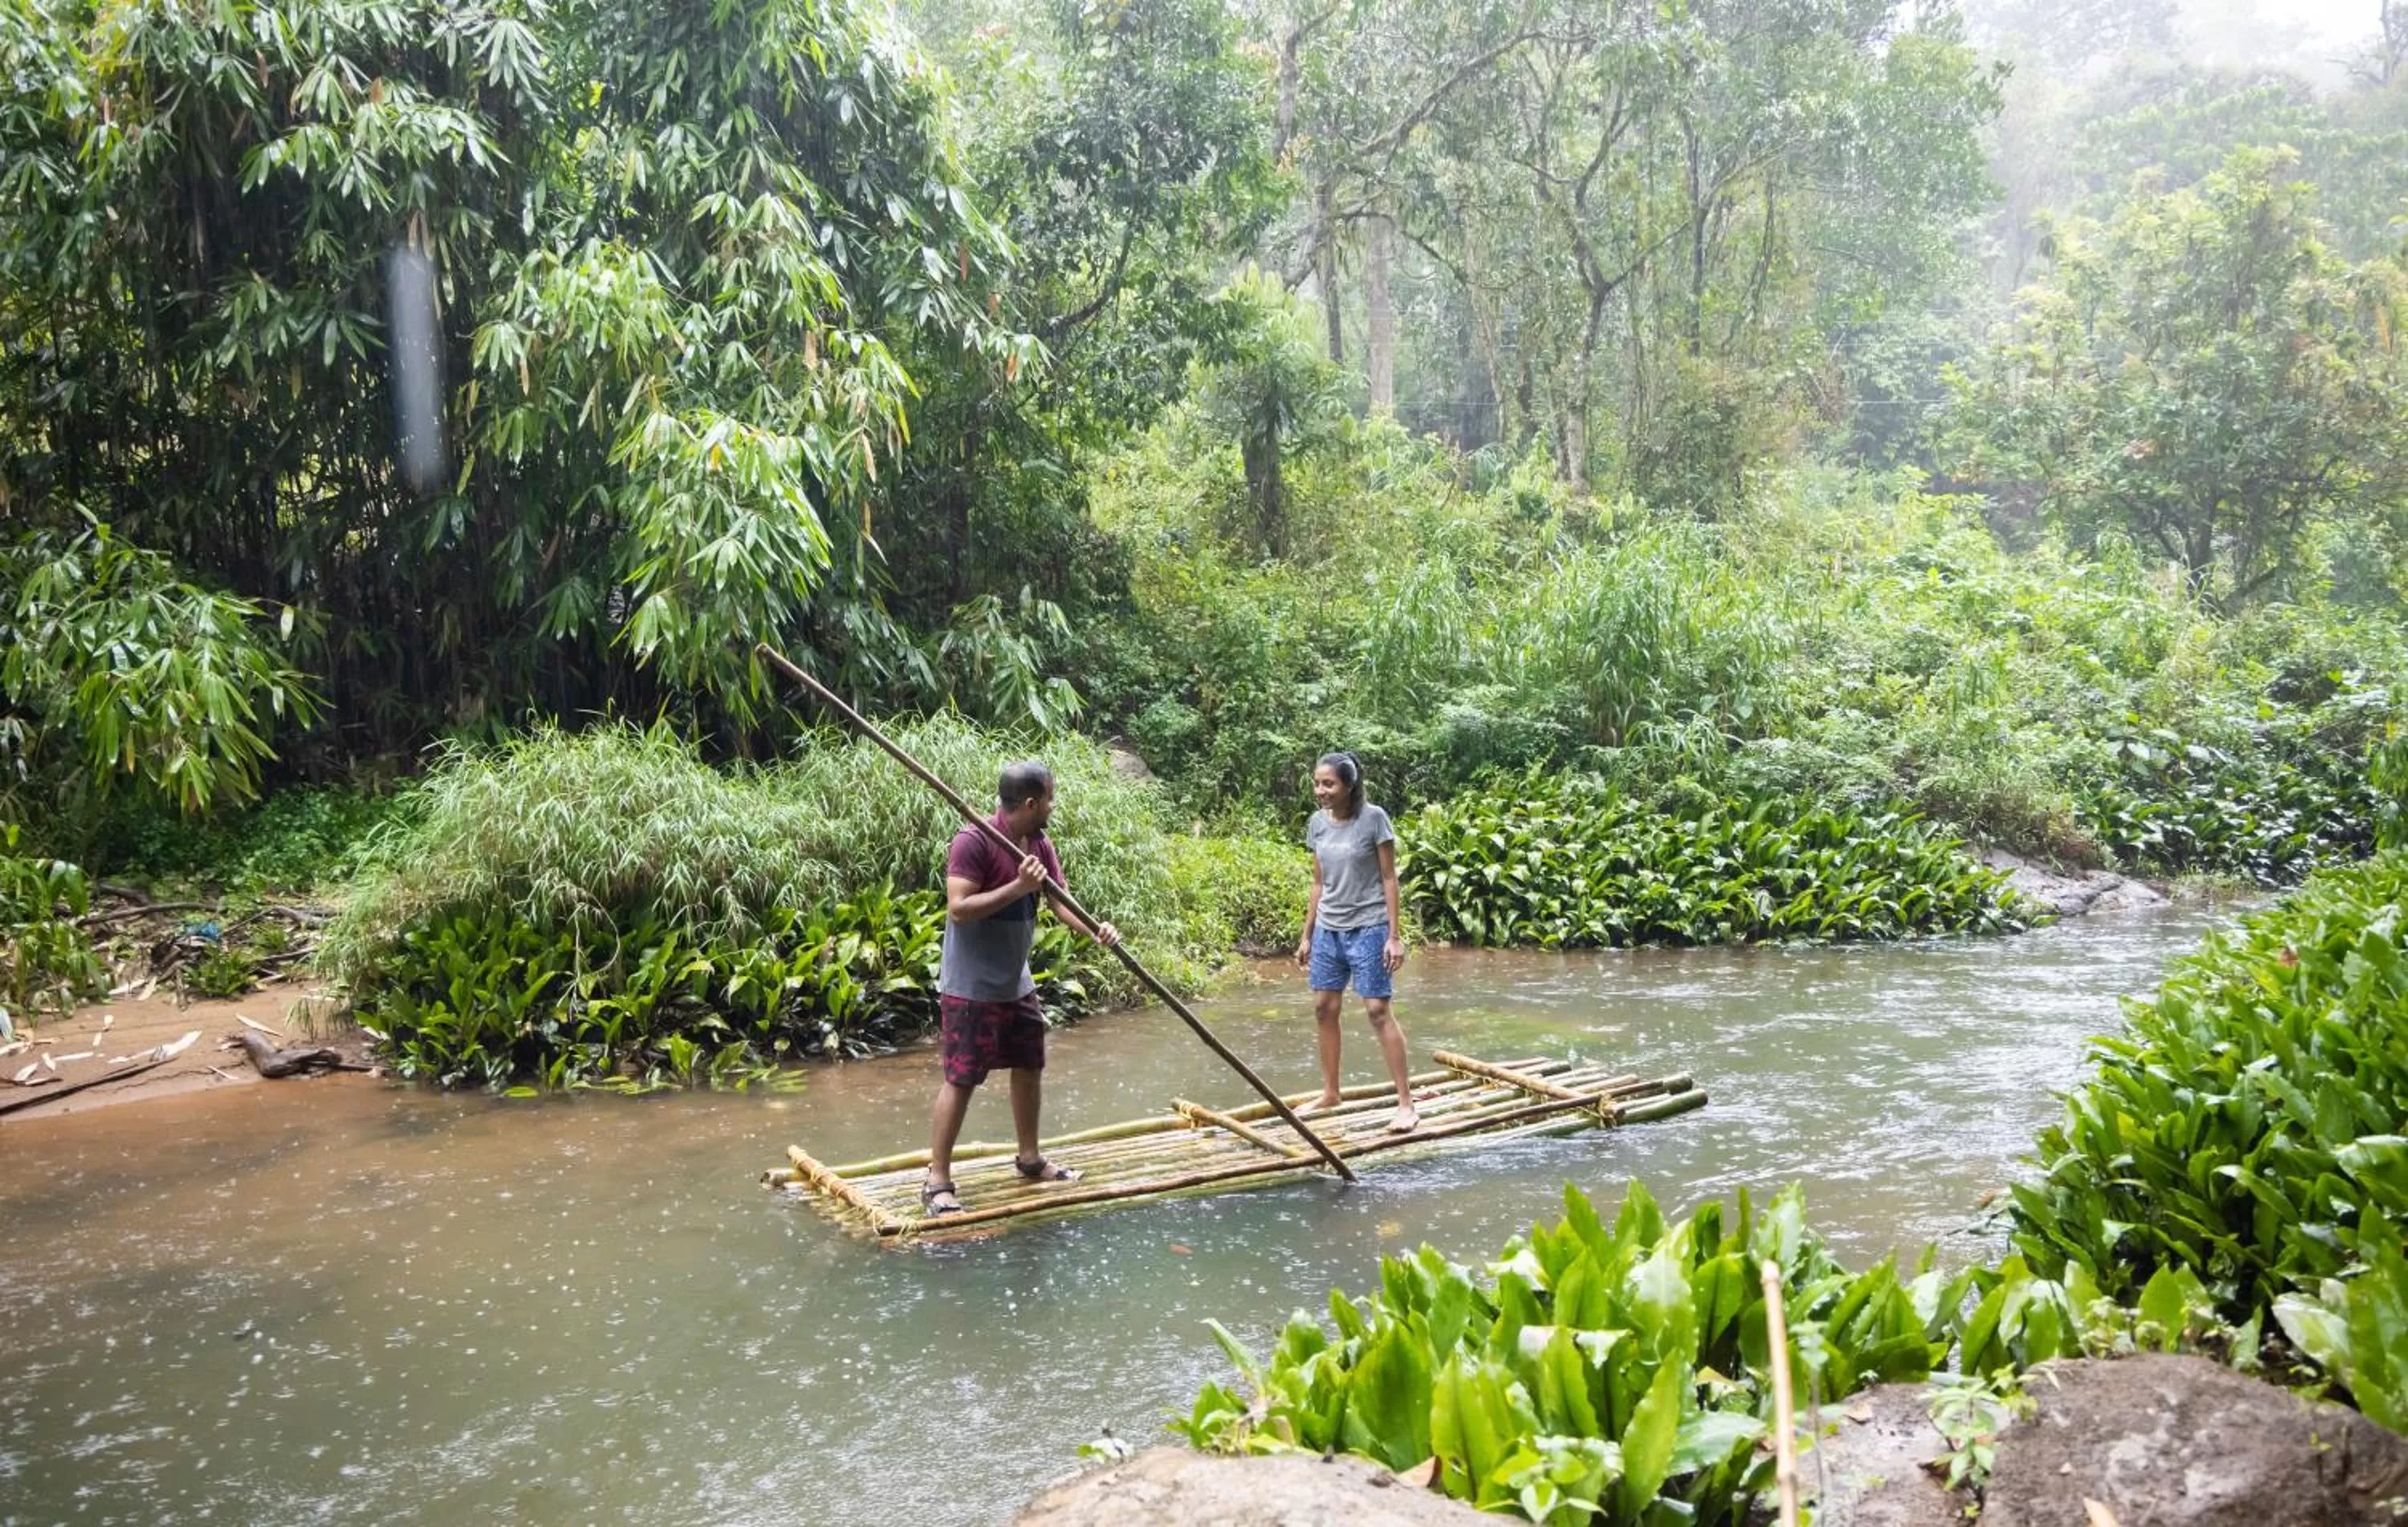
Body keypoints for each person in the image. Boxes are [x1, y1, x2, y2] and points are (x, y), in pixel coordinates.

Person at [923, 760, 1118, 1217]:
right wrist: (1016, 886)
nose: (1054, 805)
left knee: (1030, 1063)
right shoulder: (973, 841)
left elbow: (1058, 900)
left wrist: (1095, 931)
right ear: (1031, 803)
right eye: (1050, 797)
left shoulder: (1040, 843)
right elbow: (959, 909)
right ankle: (937, 1182)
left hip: (1016, 982)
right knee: (962, 1077)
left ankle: (1029, 1159)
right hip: (970, 987)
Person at [1292, 751, 1417, 1132]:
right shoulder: (1317, 823)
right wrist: (1307, 935)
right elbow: (1318, 882)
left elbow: (1389, 878)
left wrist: (1394, 937)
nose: (1321, 791)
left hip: (1369, 925)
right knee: (1323, 1008)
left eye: (1328, 784)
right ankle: (1331, 1093)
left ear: (1349, 785)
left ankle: (1407, 1105)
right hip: (1330, 927)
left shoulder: (1374, 819)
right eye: (1317, 783)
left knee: (1378, 1011)